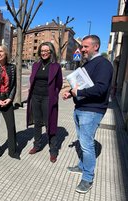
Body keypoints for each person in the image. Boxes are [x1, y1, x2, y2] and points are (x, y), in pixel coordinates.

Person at [62, 35, 113, 194]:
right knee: (84, 141)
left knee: (86, 144)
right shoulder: (89, 64)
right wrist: (71, 93)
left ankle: (88, 178)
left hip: (92, 110)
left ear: (96, 47)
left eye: (85, 47)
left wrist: (80, 91)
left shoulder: (103, 64)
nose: (82, 49)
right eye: (82, 47)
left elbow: (101, 89)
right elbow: (82, 86)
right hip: (81, 108)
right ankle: (82, 166)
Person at [26, 42, 63, 163]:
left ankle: (53, 150)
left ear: (51, 52)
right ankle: (37, 145)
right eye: (42, 51)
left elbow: (59, 84)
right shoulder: (36, 65)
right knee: (37, 122)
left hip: (48, 98)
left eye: (46, 50)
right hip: (36, 97)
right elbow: (33, 79)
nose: (44, 53)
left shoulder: (56, 66)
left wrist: (54, 95)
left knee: (49, 124)